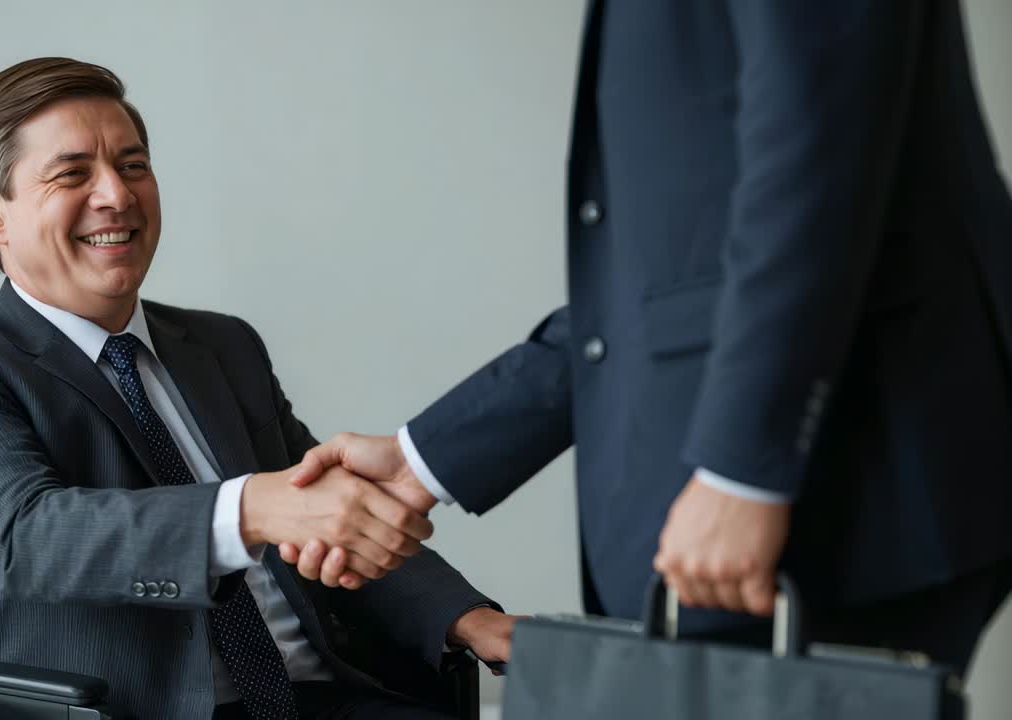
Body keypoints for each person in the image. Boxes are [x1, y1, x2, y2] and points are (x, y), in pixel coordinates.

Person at [288, 0, 1012, 674]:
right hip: (780, 493)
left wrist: (743, 470)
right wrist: (422, 461)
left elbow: (818, 158)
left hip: (847, 483)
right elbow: (652, 297)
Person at [0, 57, 513, 720]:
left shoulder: (223, 347)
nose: (117, 195)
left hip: (320, 699)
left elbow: (332, 517)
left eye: (133, 165)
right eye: (73, 173)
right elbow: (26, 538)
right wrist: (249, 510)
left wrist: (470, 620)